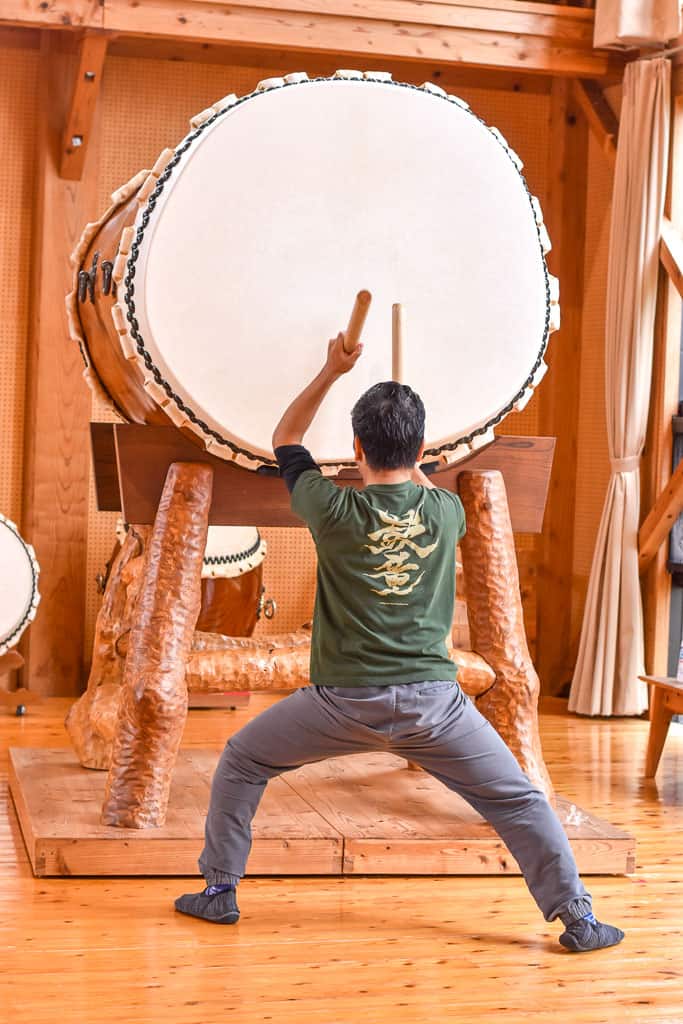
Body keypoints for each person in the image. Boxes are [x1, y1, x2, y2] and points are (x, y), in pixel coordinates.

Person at [176, 332, 624, 953]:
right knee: (519, 799)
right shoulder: (445, 512)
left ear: (356, 446)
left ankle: (220, 892)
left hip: (340, 705)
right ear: (418, 449)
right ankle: (580, 920)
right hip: (436, 708)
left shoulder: (329, 508)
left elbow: (287, 439)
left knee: (243, 762)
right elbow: (419, 476)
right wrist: (403, 451)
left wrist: (333, 370)